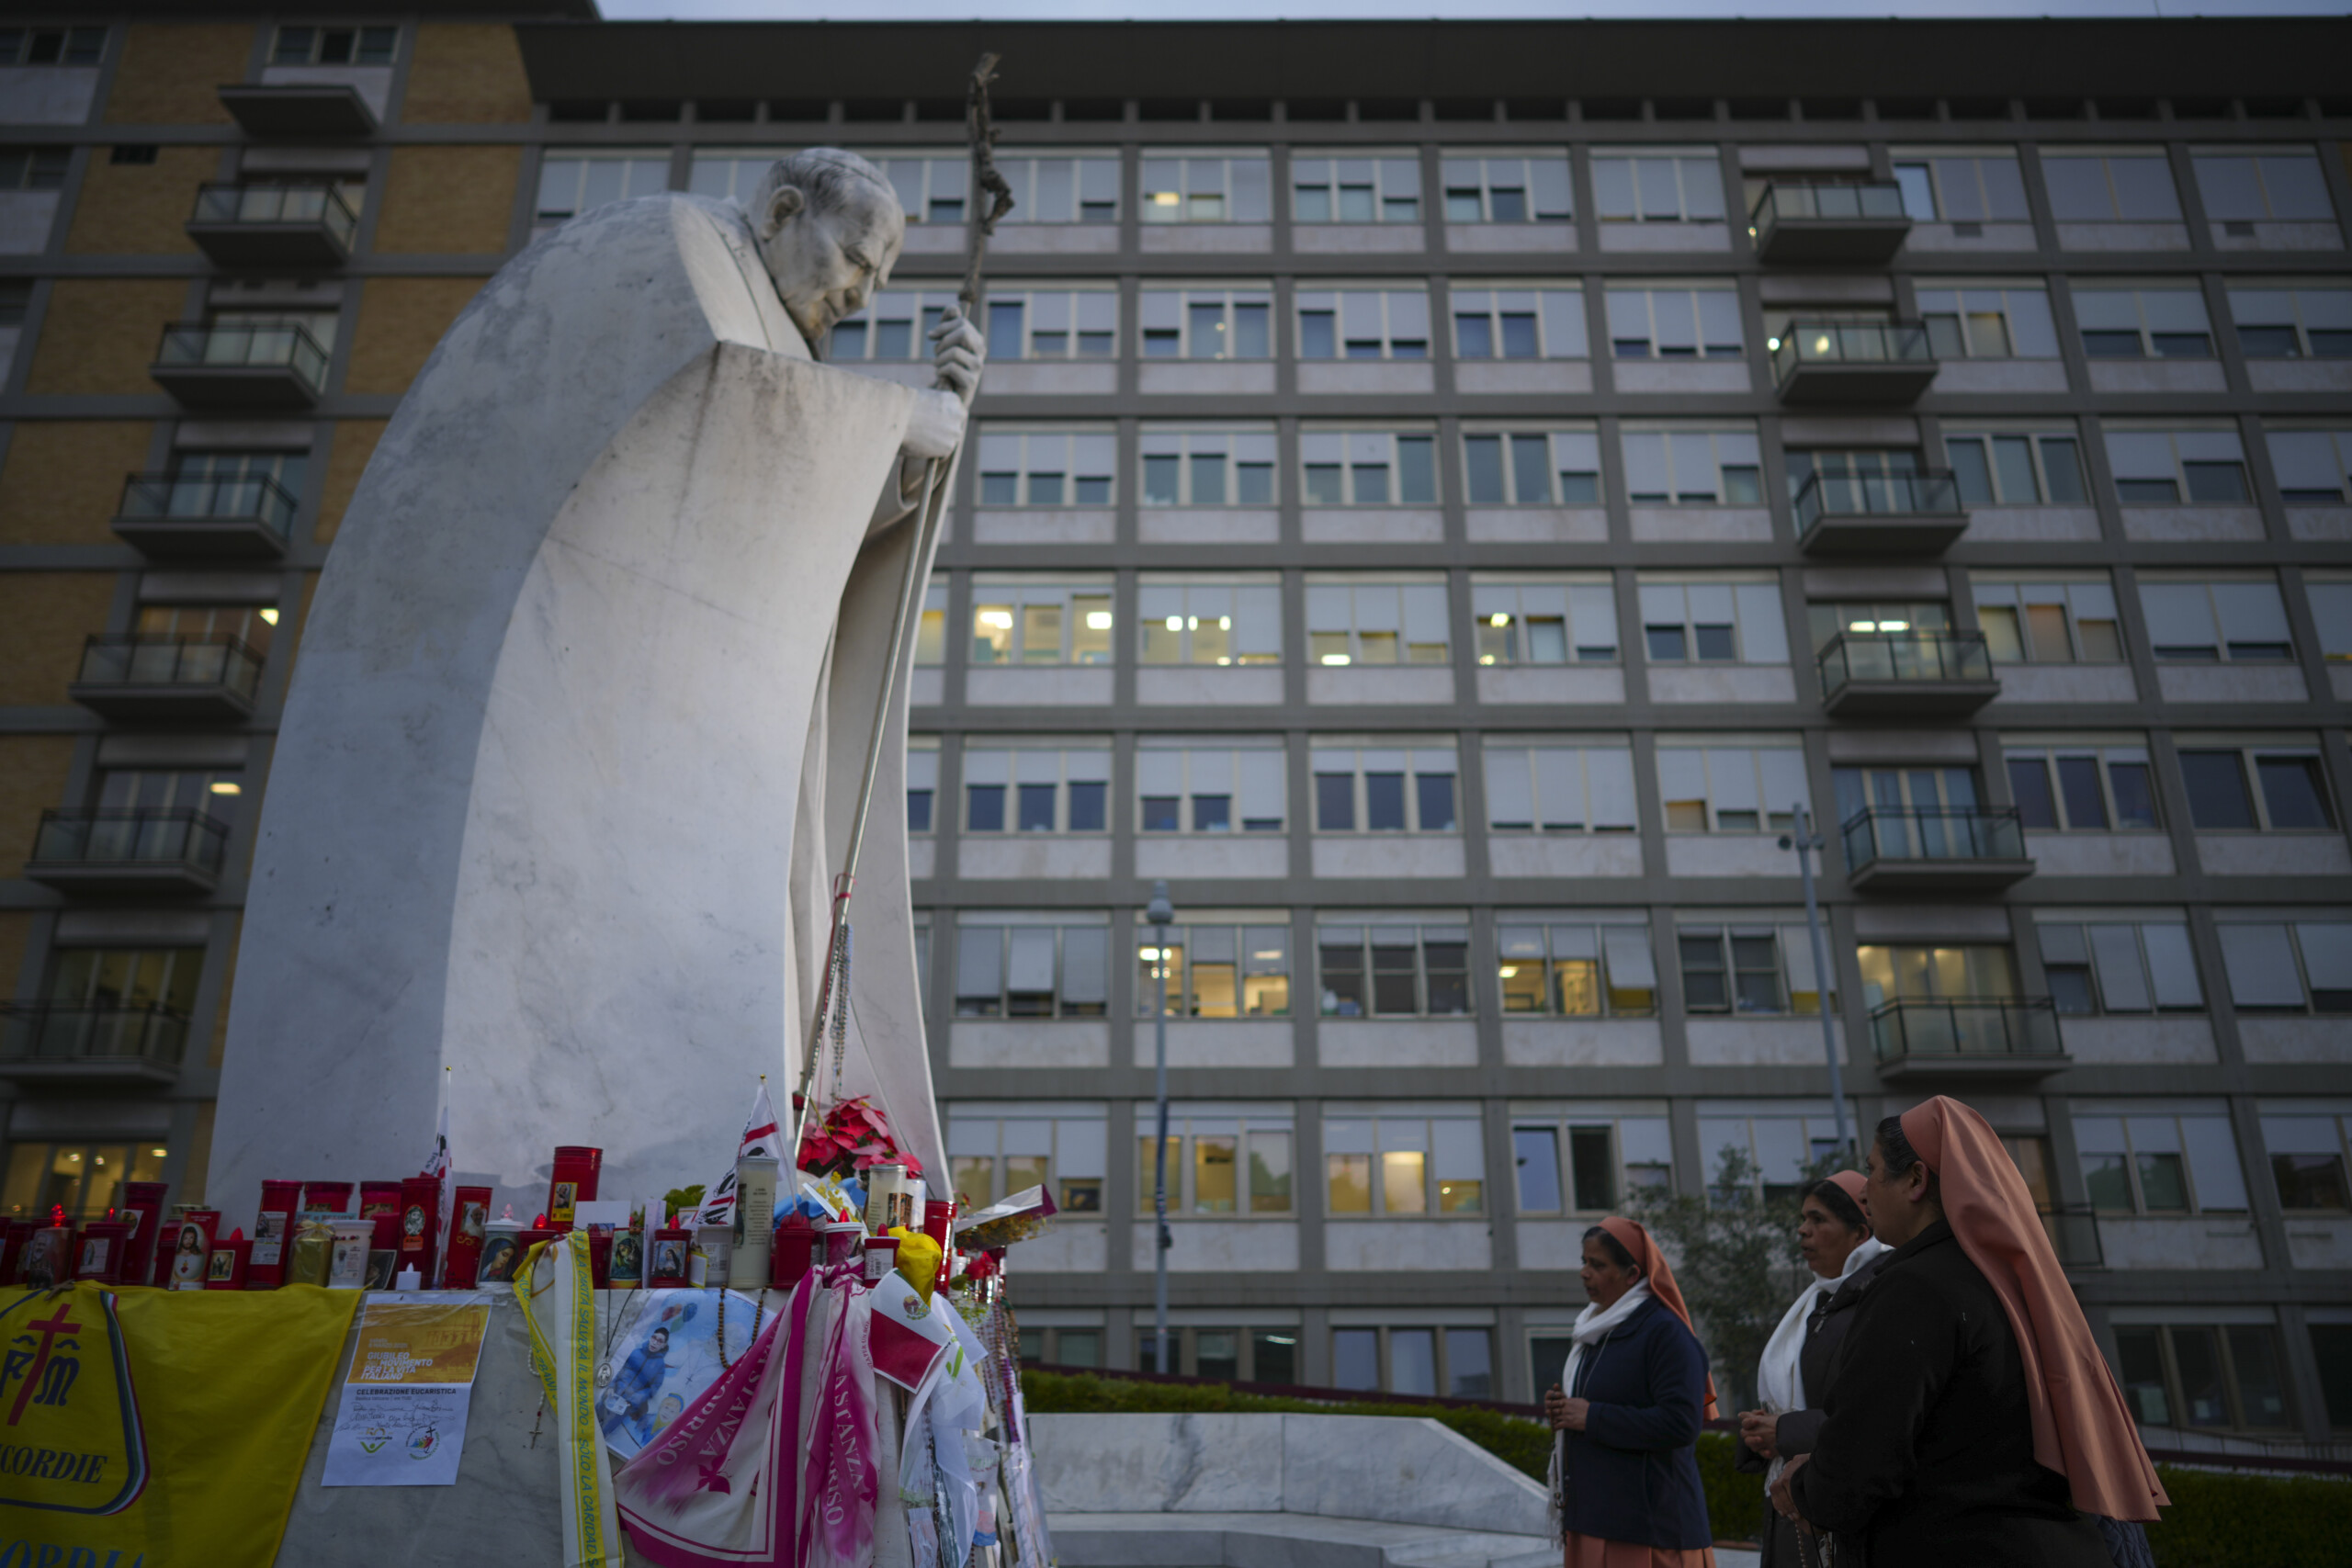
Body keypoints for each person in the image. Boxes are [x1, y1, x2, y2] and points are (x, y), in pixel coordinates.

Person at [1774, 1098, 2166, 1565]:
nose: (1864, 1192)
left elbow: (1861, 1461)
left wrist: (1805, 1487)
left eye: (1874, 1170)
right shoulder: (2010, 1283)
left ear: (1916, 1180)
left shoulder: (1915, 1287)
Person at [1543, 1216, 1718, 1568]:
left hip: (1650, 1531)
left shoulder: (1665, 1333)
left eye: (1598, 1265)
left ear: (1633, 1274)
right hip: (1594, 1521)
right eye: (1584, 1262)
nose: (1584, 1272)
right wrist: (1565, 1411)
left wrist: (1591, 1416)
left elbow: (1681, 1424)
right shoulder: (1595, 1332)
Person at [1736, 1172, 1887, 1568]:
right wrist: (1760, 1433)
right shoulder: (1816, 1303)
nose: (1803, 1231)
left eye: (1818, 1220)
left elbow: (1875, 1417)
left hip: (1839, 1512)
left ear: (1860, 1233)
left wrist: (1783, 1431)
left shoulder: (1879, 1301)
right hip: (1792, 1502)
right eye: (1803, 1220)